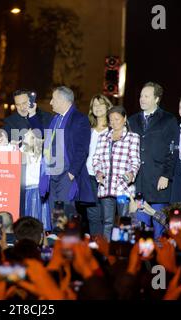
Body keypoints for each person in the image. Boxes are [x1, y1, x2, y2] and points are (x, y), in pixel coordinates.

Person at [128, 82, 178, 239]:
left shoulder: (168, 120)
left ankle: (160, 263)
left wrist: (166, 175)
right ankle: (141, 263)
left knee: (159, 230)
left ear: (156, 99)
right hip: (138, 182)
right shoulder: (132, 120)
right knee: (139, 232)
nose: (142, 99)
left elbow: (173, 151)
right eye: (141, 96)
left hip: (158, 182)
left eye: (146, 96)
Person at [38, 86, 93, 220]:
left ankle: (67, 240)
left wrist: (72, 172)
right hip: (52, 173)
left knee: (65, 213)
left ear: (63, 100)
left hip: (66, 174)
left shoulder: (80, 119)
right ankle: (55, 240)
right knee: (54, 213)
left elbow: (82, 148)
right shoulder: (55, 119)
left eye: (53, 99)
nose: (51, 102)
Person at [93, 106, 141, 240]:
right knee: (107, 222)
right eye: (111, 120)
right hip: (105, 187)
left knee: (125, 221)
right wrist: (98, 172)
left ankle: (124, 250)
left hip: (123, 188)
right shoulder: (103, 137)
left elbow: (135, 161)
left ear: (124, 119)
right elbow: (96, 158)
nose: (114, 122)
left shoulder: (133, 137)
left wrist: (132, 173)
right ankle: (106, 252)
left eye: (117, 119)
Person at [86, 94, 113, 236]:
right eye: (94, 105)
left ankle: (106, 247)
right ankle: (95, 244)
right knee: (92, 215)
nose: (97, 108)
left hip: (106, 178)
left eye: (100, 104)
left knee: (107, 216)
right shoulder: (87, 129)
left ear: (108, 106)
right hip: (88, 176)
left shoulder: (112, 129)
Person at [20, 129, 51, 231]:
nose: (24, 134)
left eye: (27, 135)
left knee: (36, 220)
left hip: (36, 191)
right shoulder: (21, 151)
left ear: (34, 139)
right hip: (25, 191)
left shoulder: (39, 156)